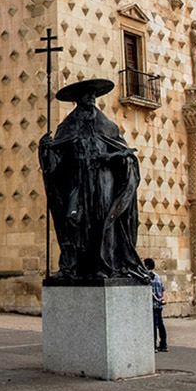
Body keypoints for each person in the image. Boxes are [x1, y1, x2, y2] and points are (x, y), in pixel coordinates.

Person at [38, 79, 148, 282]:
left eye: (92, 94)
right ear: (77, 99)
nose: (90, 97)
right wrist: (45, 150)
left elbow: (125, 155)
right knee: (72, 220)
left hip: (103, 181)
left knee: (101, 221)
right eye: (86, 94)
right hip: (78, 181)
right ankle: (72, 266)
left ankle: (102, 265)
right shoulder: (67, 127)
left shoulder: (107, 126)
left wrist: (119, 159)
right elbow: (56, 164)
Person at [145, 258, 167, 352]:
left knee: (154, 325)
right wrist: (163, 298)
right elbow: (163, 289)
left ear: (147, 266)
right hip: (160, 305)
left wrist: (155, 298)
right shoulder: (157, 276)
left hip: (153, 304)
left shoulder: (147, 276)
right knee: (161, 324)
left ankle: (154, 345)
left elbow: (149, 290)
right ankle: (163, 344)